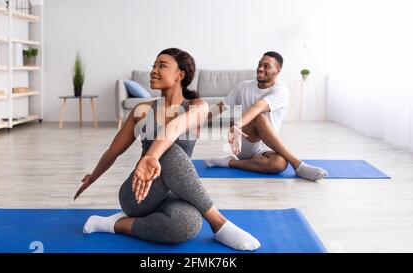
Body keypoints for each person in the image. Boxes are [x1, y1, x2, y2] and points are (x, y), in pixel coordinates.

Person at [74, 48, 260, 251]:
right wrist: (93, 176)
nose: (153, 70)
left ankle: (109, 224)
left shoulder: (197, 106)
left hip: (174, 194)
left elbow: (175, 127)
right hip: (137, 194)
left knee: (187, 225)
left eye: (161, 65)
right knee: (168, 150)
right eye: (153, 66)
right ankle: (219, 223)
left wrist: (151, 156)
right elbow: (113, 151)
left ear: (180, 74)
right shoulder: (142, 110)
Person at [206, 51, 328, 181]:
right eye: (259, 64)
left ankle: (229, 162)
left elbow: (258, 106)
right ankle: (298, 165)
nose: (260, 68)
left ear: (277, 71)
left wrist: (237, 124)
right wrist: (193, 119)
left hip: (268, 146)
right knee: (259, 118)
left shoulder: (281, 90)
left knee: (279, 164)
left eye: (266, 66)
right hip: (245, 141)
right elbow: (221, 106)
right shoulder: (243, 86)